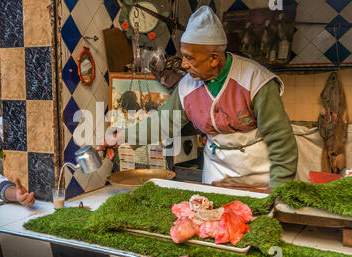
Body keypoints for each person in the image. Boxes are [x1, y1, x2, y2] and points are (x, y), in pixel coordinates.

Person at [97, 6, 298, 189]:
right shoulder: (187, 86)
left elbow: (282, 141)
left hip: (261, 176)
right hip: (217, 175)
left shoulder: (255, 81)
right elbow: (163, 122)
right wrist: (121, 136)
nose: (183, 64)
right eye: (184, 56)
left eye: (190, 58)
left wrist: (278, 189)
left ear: (214, 58)